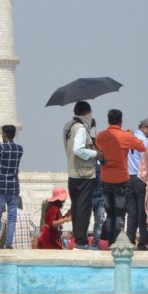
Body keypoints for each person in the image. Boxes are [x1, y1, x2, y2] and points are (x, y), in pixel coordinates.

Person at [95, 109, 146, 246]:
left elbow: (97, 148)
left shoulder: (101, 135)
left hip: (105, 179)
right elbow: (142, 147)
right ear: (121, 121)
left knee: (110, 213)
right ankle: (118, 243)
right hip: (121, 180)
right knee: (119, 214)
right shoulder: (125, 136)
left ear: (108, 120)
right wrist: (130, 135)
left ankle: (111, 243)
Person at [63, 101, 101, 250]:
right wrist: (95, 154)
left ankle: (79, 240)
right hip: (84, 174)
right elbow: (78, 149)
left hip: (72, 172)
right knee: (84, 208)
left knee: (77, 207)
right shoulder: (80, 129)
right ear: (87, 112)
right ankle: (81, 242)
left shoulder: (68, 126)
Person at [0, 124, 24, 249]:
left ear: (5, 135)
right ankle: (8, 244)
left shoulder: (0, 148)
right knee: (12, 218)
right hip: (14, 188)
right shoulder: (20, 149)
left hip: (0, 187)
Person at [126, 118, 148, 249]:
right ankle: (143, 242)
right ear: (144, 127)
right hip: (140, 179)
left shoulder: (129, 138)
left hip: (128, 178)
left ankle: (130, 240)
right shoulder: (144, 142)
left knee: (132, 213)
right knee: (142, 212)